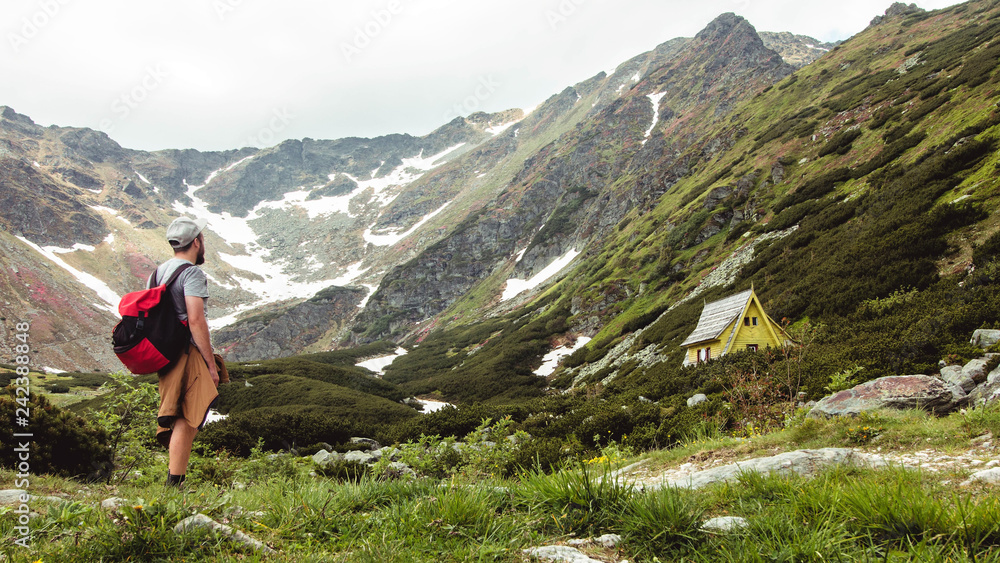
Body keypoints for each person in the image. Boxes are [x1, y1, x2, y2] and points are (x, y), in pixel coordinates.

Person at [155, 216, 223, 487]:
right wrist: (210, 364)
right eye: (202, 239)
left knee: (180, 413)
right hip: (187, 352)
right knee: (189, 416)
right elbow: (196, 319)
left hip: (166, 354)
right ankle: (175, 484)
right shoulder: (192, 273)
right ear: (196, 242)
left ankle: (175, 480)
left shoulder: (159, 272)